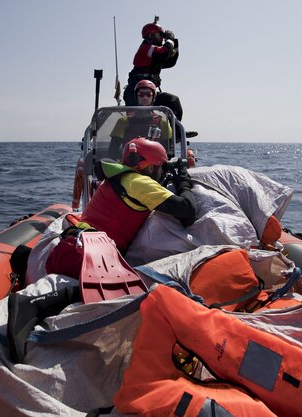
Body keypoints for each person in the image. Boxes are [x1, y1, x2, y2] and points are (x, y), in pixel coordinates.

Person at [47, 137, 197, 279]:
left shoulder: (118, 176)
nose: (162, 172)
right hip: (89, 259)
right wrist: (184, 180)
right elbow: (188, 210)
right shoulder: (139, 183)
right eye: (161, 167)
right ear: (149, 166)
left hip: (71, 248)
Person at [123, 18, 184, 120]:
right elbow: (164, 53)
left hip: (150, 93)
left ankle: (176, 133)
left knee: (173, 101)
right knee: (136, 119)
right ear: (151, 35)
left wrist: (175, 42)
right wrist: (169, 40)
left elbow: (170, 61)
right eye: (160, 34)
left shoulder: (153, 55)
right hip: (136, 92)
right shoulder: (146, 48)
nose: (161, 37)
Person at [109, 80, 173, 159]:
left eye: (148, 94)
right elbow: (113, 150)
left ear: (153, 97)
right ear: (137, 96)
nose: (145, 97)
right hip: (129, 166)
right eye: (141, 94)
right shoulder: (123, 121)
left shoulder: (162, 122)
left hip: (154, 165)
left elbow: (168, 151)